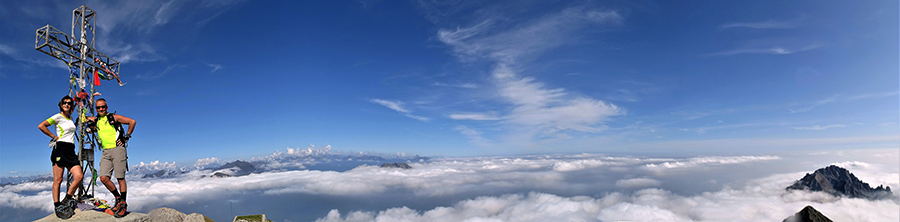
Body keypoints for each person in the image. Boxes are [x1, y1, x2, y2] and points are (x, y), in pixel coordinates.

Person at [87, 98, 136, 218]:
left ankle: (123, 204)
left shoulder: (114, 117)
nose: (101, 109)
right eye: (98, 108)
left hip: (118, 149)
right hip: (105, 151)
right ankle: (118, 198)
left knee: (120, 177)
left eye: (103, 107)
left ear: (107, 107)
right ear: (96, 109)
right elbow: (86, 118)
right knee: (104, 178)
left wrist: (126, 137)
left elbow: (132, 122)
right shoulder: (97, 119)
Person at [38, 95, 84, 219]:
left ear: (72, 106)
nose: (67, 105)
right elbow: (41, 126)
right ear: (61, 104)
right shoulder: (57, 116)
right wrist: (54, 137)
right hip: (60, 149)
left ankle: (67, 199)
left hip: (70, 150)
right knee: (58, 180)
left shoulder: (70, 118)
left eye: (69, 103)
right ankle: (57, 205)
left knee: (79, 176)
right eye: (64, 103)